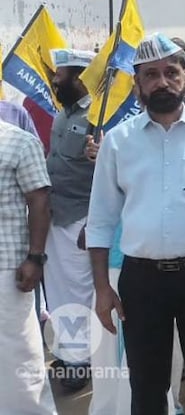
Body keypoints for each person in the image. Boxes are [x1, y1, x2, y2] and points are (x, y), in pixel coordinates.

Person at [87, 33, 185, 415]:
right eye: (151, 74)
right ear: (137, 83)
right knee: (146, 382)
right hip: (142, 279)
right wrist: (102, 288)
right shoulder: (119, 141)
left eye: (170, 72)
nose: (162, 82)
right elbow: (101, 216)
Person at [41, 48, 97, 391]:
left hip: (82, 218)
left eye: (59, 76)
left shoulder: (99, 114)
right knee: (60, 290)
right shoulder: (62, 115)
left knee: (79, 291)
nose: (54, 81)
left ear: (78, 77)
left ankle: (81, 361)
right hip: (55, 216)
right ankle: (67, 352)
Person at [0, 120, 55, 414]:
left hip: (7, 269)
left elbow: (39, 201)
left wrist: (35, 257)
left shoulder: (18, 141)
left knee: (17, 357)